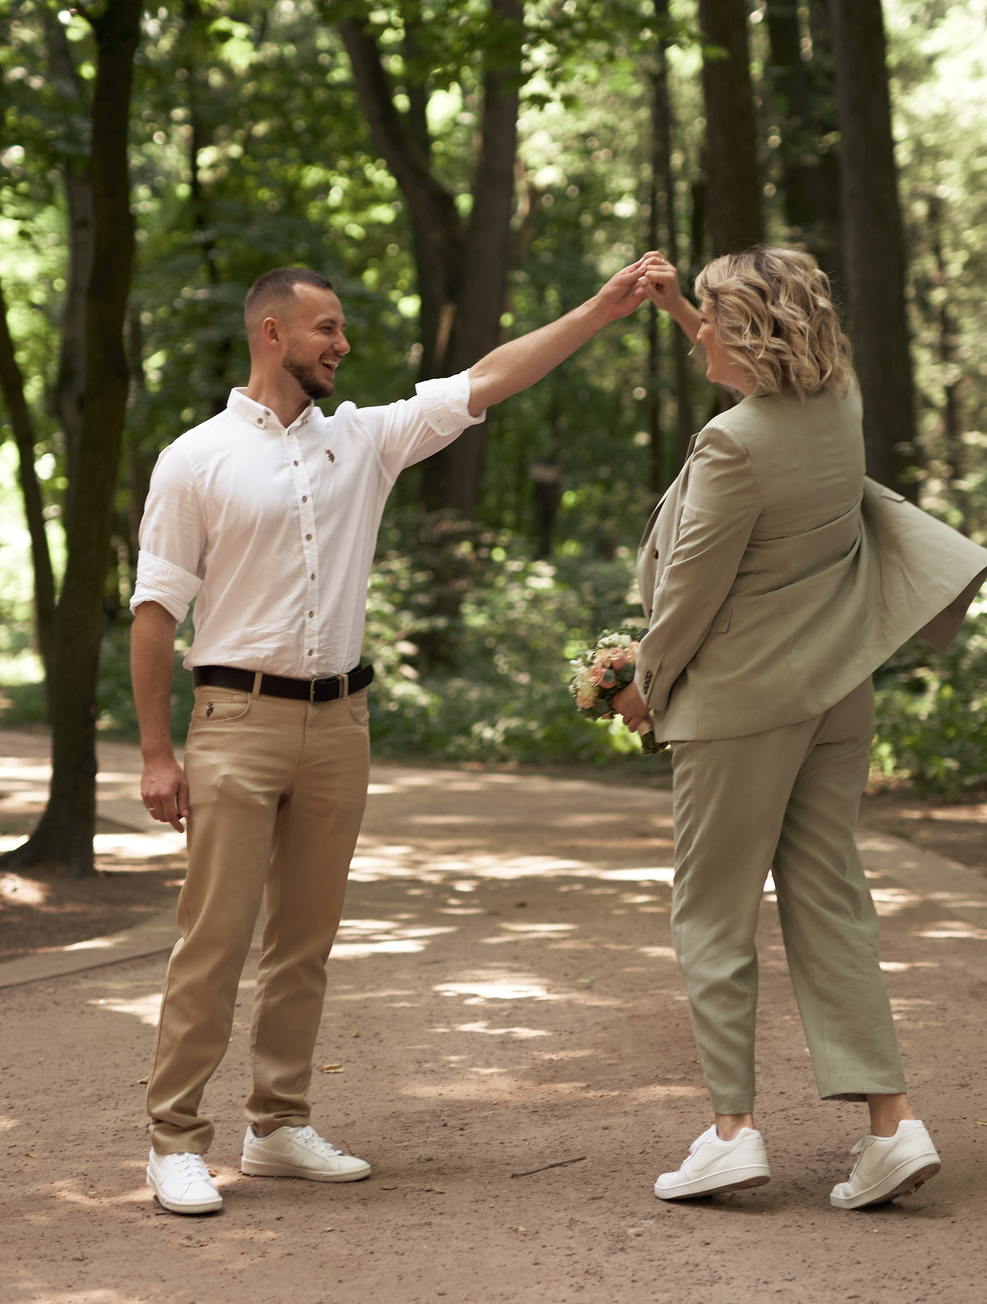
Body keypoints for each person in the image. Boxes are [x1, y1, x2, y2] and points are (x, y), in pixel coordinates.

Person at [130, 253, 675, 1215]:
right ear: (273, 333)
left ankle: (278, 1126)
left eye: (340, 328)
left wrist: (602, 305)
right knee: (213, 938)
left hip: (342, 720)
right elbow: (156, 611)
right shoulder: (195, 457)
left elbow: (492, 378)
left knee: (306, 940)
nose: (343, 343)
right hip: (236, 719)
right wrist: (156, 752)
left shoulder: (365, 442)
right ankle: (175, 1138)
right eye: (327, 327)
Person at [611, 245, 987, 1212]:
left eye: (708, 316)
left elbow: (692, 592)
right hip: (837, 687)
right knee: (828, 900)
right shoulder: (840, 407)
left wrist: (641, 681)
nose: (699, 332)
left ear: (742, 330)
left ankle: (731, 1132)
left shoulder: (731, 444)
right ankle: (891, 1127)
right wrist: (674, 309)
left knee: (712, 913)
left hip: (740, 703)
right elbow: (756, 372)